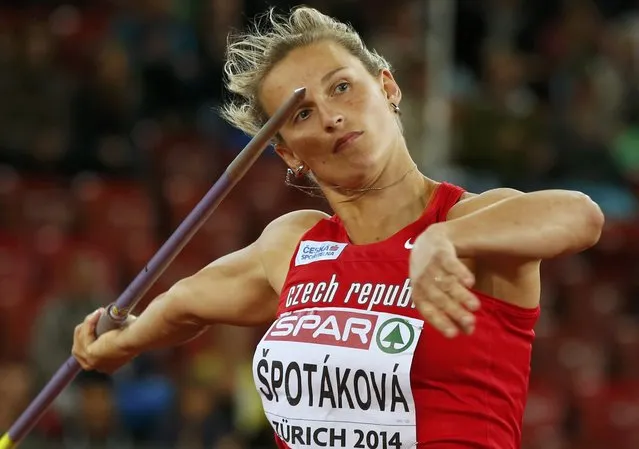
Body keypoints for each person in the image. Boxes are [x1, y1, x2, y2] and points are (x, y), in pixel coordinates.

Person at [72, 6, 605, 449]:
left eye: (342, 87)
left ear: (388, 87)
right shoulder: (293, 244)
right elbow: (184, 303)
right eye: (301, 115)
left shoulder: (467, 222)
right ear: (286, 154)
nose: (330, 116)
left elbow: (579, 215)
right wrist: (122, 340)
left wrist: (443, 240)